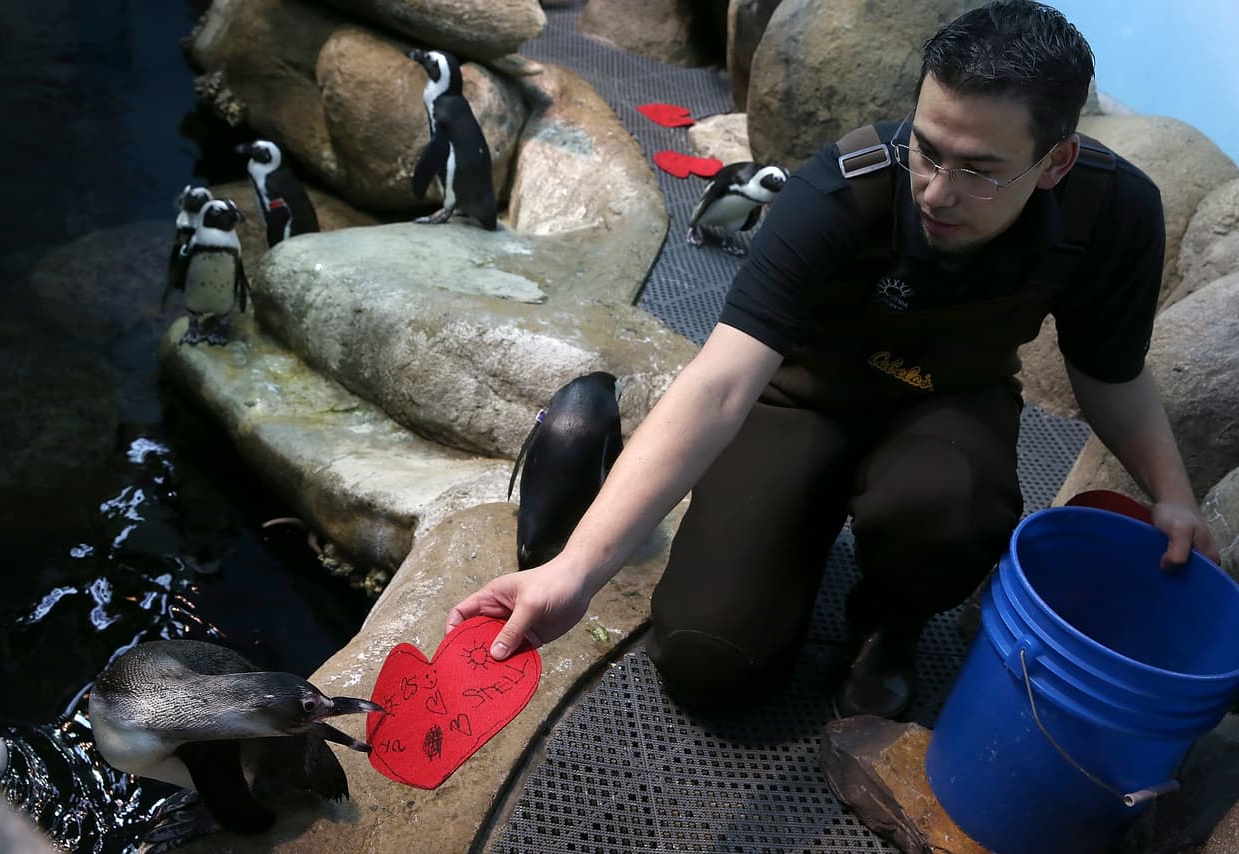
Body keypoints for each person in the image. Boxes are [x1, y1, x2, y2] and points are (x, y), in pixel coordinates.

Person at [446, 0, 1219, 719]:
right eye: (928, 148)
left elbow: (1109, 368)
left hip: (948, 402)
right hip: (801, 397)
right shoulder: (842, 191)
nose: (937, 192)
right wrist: (575, 571)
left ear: (1055, 162)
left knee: (953, 509)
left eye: (978, 169)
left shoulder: (1112, 212)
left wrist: (1172, 494)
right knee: (710, 663)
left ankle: (888, 623)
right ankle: (784, 532)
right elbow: (717, 385)